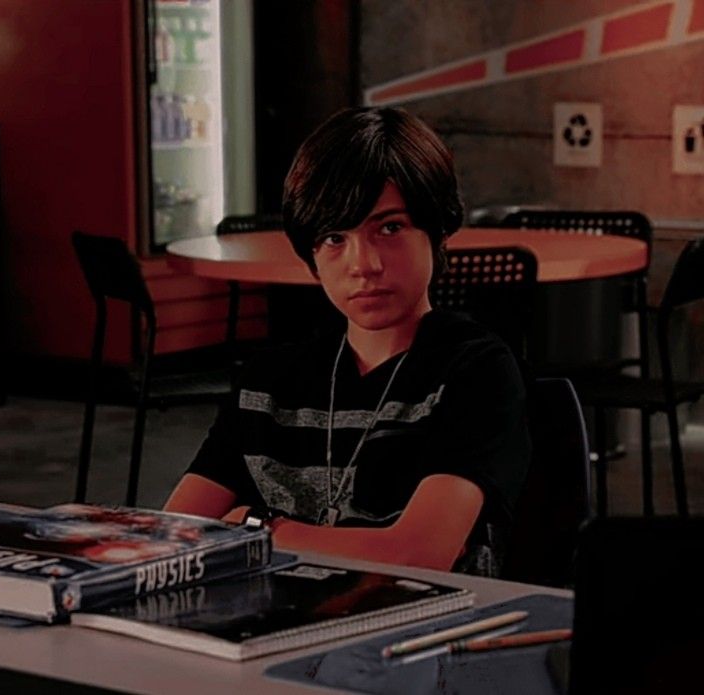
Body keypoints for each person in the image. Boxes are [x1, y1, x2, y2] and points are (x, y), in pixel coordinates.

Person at [165, 106, 530, 574]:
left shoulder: (475, 371)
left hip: (420, 634)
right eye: (335, 237)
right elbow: (173, 534)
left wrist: (260, 530)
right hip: (268, 631)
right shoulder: (269, 382)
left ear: (436, 233)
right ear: (311, 257)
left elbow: (420, 554)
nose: (364, 265)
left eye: (390, 227)